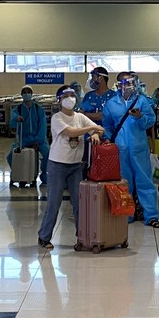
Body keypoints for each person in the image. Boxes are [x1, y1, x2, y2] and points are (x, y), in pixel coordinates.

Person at [37, 86, 104, 250]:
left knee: (79, 203)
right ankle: (44, 237)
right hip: (57, 164)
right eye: (66, 96)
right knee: (54, 202)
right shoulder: (57, 118)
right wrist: (91, 129)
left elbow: (101, 129)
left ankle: (82, 237)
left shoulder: (80, 117)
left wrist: (96, 134)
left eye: (73, 95)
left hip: (75, 166)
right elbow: (71, 132)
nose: (70, 99)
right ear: (59, 100)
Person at [102, 72, 159, 228]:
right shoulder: (111, 104)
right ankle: (126, 215)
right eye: (125, 82)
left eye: (130, 82)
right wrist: (108, 138)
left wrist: (140, 116)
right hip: (120, 150)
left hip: (139, 148)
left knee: (145, 182)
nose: (128, 85)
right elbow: (107, 125)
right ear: (118, 85)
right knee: (123, 184)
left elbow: (150, 121)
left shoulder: (142, 101)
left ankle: (151, 216)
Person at [8, 86, 49, 183]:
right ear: (21, 95)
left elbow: (43, 126)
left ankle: (44, 174)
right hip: (23, 138)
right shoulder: (18, 109)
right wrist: (16, 119)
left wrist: (38, 141)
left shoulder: (38, 109)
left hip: (38, 138)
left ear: (31, 94)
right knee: (11, 155)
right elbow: (12, 123)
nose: (26, 94)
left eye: (28, 92)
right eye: (24, 92)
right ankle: (16, 173)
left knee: (47, 153)